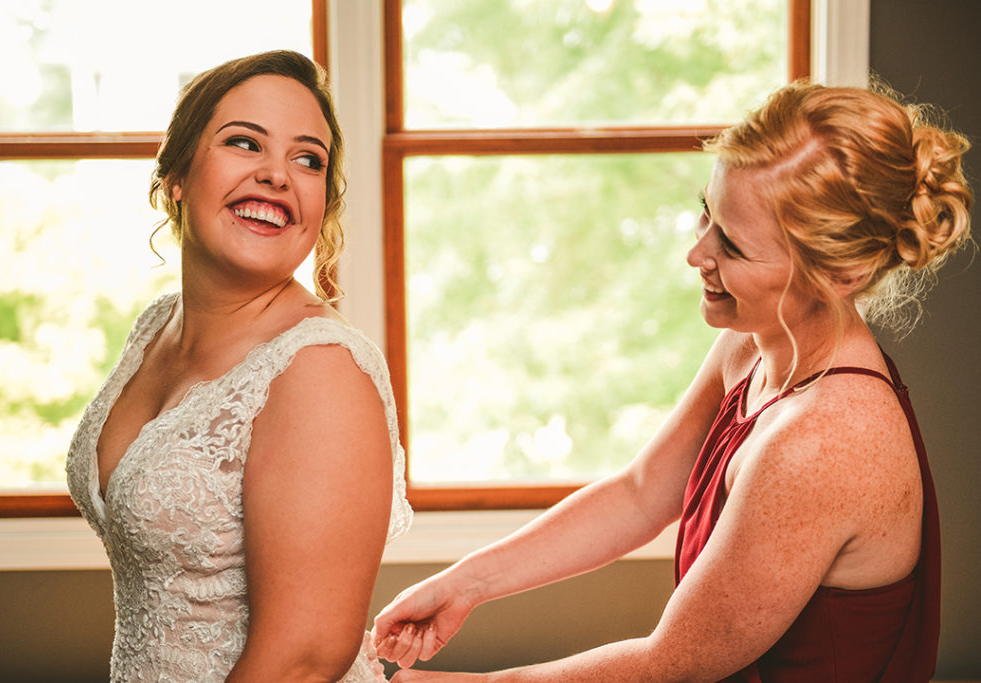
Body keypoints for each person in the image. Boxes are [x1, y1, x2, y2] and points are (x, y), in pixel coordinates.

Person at [371, 81, 972, 681]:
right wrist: (465, 584)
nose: (696, 253)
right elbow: (641, 492)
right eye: (706, 214)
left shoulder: (825, 441)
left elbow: (669, 666)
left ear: (840, 273)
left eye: (733, 245)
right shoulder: (757, 340)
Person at [65, 50, 412, 682]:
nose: (278, 175)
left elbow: (304, 661)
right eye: (245, 143)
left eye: (308, 159)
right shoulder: (155, 328)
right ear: (176, 177)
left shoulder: (320, 368)